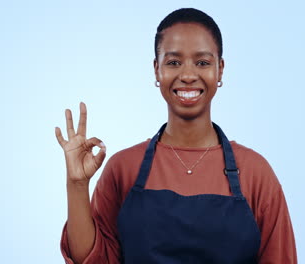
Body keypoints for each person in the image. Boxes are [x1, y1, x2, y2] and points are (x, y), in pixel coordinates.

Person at [55, 8, 297, 264]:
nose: (188, 75)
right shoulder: (123, 169)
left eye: (202, 62)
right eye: (173, 62)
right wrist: (77, 184)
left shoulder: (256, 173)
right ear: (157, 70)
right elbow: (92, 261)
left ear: (220, 69)